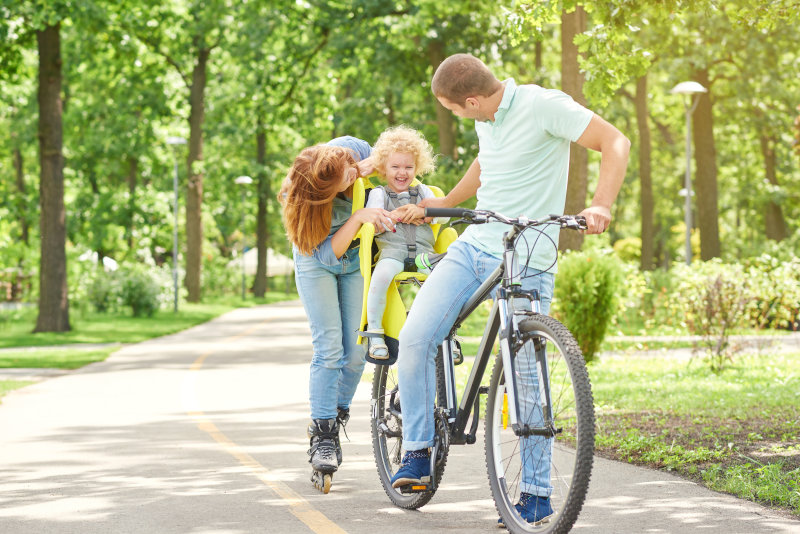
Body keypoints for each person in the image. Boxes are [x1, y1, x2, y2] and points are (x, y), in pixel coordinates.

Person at [389, 54, 630, 524]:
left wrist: (601, 205)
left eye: (456, 110)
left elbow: (615, 141)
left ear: (473, 100)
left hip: (530, 256)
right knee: (416, 338)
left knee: (527, 382)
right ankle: (418, 449)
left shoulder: (545, 106)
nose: (458, 116)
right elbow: (487, 162)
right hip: (476, 244)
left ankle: (537, 494)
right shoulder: (489, 118)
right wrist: (444, 203)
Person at [279, 136, 396, 492]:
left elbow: (391, 158)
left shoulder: (350, 150)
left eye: (349, 174)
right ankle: (324, 434)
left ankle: (334, 410)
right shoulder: (306, 207)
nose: (349, 182)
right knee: (330, 348)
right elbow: (327, 256)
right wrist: (359, 217)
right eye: (342, 185)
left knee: (357, 349)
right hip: (320, 261)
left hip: (356, 260)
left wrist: (372, 165)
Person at [362, 125, 446, 360]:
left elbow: (444, 214)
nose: (402, 172)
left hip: (424, 254)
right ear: (383, 168)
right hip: (393, 252)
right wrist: (394, 216)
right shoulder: (380, 194)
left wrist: (424, 213)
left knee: (447, 280)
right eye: (395, 166)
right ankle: (375, 332)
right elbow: (372, 219)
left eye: (409, 167)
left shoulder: (423, 191)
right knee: (380, 277)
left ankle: (448, 334)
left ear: (417, 168)